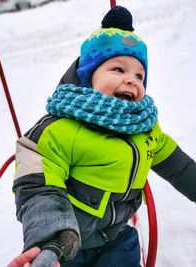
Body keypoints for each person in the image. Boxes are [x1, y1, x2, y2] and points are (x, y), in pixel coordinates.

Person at [11, 5, 196, 267]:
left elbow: (180, 168)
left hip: (118, 236)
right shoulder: (59, 130)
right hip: (69, 243)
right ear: (88, 77)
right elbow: (39, 189)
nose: (132, 80)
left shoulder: (144, 129)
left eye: (139, 75)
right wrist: (53, 238)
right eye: (118, 70)